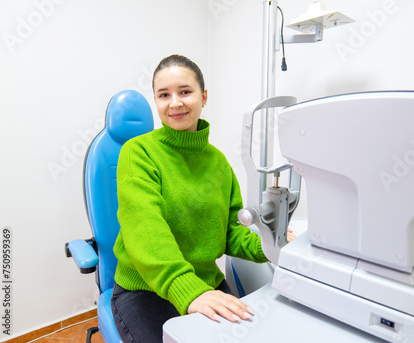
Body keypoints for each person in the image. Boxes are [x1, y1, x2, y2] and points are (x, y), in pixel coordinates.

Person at [111, 54, 294, 343]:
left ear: (204, 96)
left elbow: (230, 234)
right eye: (164, 95)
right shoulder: (138, 153)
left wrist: (272, 245)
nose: (175, 103)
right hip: (146, 290)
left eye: (185, 91)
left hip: (206, 285)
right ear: (156, 101)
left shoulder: (219, 163)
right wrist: (188, 289)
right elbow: (145, 230)